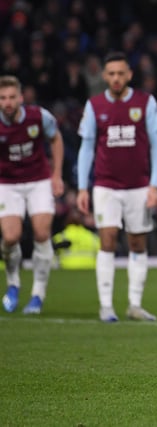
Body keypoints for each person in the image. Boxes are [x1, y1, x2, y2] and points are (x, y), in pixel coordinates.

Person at [77, 51, 157, 323]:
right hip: (106, 185)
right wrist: (82, 187)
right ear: (105, 76)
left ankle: (134, 305)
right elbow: (87, 147)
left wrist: (155, 184)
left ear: (129, 75)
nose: (116, 78)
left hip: (139, 186)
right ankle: (106, 306)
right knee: (107, 239)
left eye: (120, 73)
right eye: (111, 74)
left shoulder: (145, 102)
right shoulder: (94, 105)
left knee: (138, 242)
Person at [0, 75, 64, 314]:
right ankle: (13, 282)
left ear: (21, 98)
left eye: (11, 97)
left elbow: (55, 139)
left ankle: (37, 294)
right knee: (10, 237)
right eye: (2, 98)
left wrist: (56, 175)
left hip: (38, 179)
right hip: (7, 183)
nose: (7, 102)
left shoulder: (39, 117)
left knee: (41, 232)